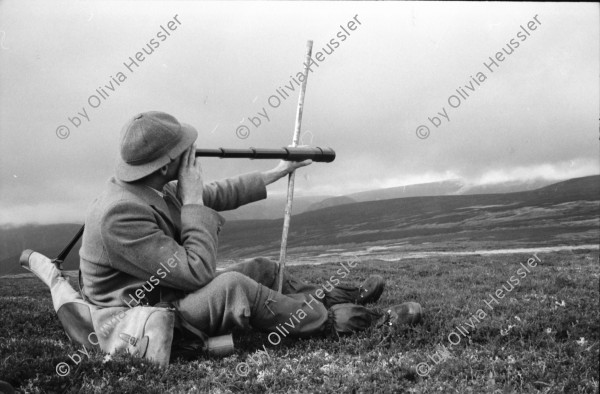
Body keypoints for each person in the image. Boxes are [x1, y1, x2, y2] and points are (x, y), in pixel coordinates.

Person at [78, 111, 422, 345]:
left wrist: (278, 170)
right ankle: (345, 321)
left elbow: (216, 194)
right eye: (183, 148)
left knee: (260, 267)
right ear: (167, 163)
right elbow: (196, 272)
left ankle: (328, 297)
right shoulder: (119, 213)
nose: (191, 151)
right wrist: (194, 201)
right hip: (143, 319)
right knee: (233, 286)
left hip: (165, 296)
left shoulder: (148, 184)